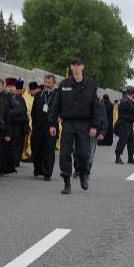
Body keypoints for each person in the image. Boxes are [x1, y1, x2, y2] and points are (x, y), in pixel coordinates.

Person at [48, 57, 101, 194]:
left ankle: (83, 174)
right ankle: (67, 182)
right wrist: (52, 123)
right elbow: (56, 105)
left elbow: (96, 108)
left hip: (84, 124)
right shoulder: (64, 84)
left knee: (83, 154)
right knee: (64, 153)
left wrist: (94, 126)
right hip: (68, 123)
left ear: (83, 67)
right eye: (74, 65)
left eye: (78, 65)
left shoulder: (90, 85)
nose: (76, 67)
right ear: (71, 67)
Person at [31, 75, 58, 180]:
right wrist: (34, 125)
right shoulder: (39, 95)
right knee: (37, 148)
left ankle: (47, 173)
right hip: (38, 127)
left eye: (49, 83)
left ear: (54, 83)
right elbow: (33, 111)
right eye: (46, 82)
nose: (47, 85)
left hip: (51, 126)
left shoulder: (57, 95)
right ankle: (38, 169)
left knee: (49, 150)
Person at [114, 87, 134, 164]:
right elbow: (131, 109)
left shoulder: (129, 101)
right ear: (132, 94)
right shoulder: (125, 101)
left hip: (129, 124)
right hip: (124, 123)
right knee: (122, 141)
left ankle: (130, 158)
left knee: (131, 141)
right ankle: (118, 157)